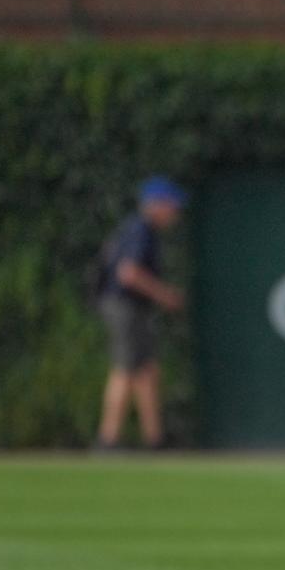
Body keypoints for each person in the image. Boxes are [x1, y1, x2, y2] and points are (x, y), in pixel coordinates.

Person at [93, 177, 188, 451]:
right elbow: (128, 273)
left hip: (132, 307)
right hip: (124, 306)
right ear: (157, 205)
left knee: (147, 370)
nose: (175, 213)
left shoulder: (142, 230)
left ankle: (154, 438)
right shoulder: (140, 230)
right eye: (172, 205)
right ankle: (107, 439)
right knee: (125, 368)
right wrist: (164, 295)